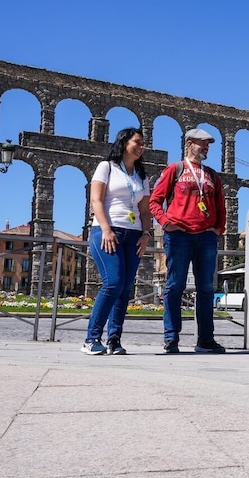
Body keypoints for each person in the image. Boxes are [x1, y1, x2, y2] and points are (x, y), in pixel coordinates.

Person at [149, 128, 226, 354]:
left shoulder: (212, 175)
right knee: (175, 286)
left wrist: (218, 229)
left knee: (206, 289)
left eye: (208, 144)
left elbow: (221, 206)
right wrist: (165, 222)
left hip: (206, 237)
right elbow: (155, 201)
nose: (206, 147)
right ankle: (171, 338)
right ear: (190, 144)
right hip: (179, 235)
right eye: (202, 143)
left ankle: (205, 340)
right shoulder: (176, 169)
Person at [82, 127, 152, 355]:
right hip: (108, 231)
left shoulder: (142, 176)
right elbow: (96, 200)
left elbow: (144, 211)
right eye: (137, 142)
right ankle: (91, 338)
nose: (141, 147)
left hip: (133, 235)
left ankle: (114, 339)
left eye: (143, 144)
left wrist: (146, 234)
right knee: (113, 282)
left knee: (124, 289)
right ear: (124, 143)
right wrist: (105, 229)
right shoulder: (107, 167)